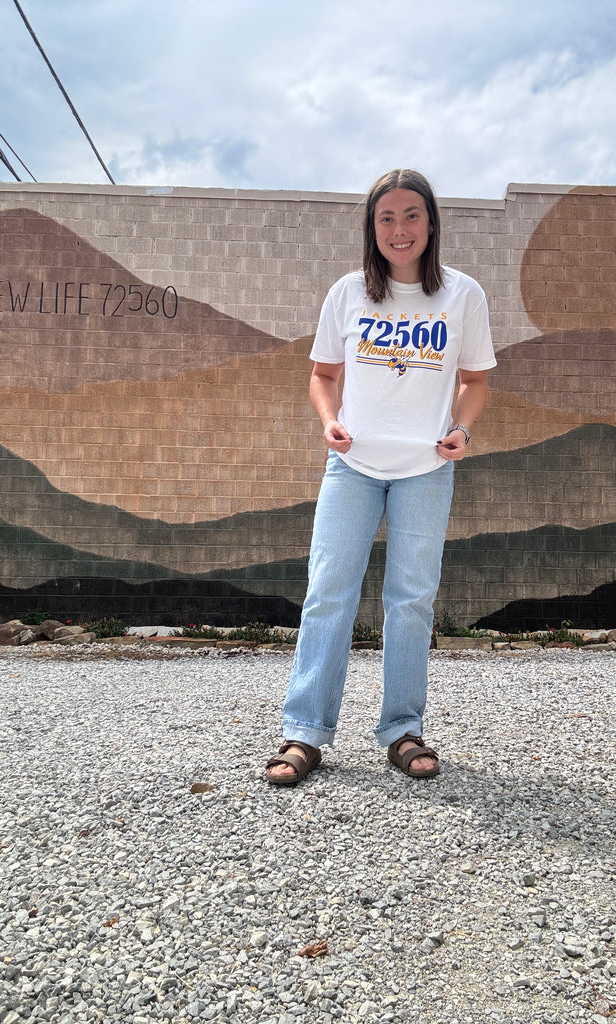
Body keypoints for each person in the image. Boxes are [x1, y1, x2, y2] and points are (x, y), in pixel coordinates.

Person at [265, 168, 496, 785]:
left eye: (412, 215)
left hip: (427, 468)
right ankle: (305, 734)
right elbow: (322, 374)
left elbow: (474, 382)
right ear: (373, 227)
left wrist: (462, 431)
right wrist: (329, 420)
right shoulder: (347, 293)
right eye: (387, 217)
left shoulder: (462, 295)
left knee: (411, 602)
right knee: (328, 593)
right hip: (352, 464)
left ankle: (402, 729)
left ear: (431, 223)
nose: (400, 229)